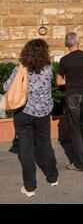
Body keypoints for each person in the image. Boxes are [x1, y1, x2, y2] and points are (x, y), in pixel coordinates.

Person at [3, 39, 58, 197]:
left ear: (26, 51)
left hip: (23, 113)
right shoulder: (49, 68)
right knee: (45, 145)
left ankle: (29, 187)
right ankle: (52, 177)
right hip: (43, 114)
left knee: (26, 150)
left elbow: (7, 87)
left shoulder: (20, 69)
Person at [56, 32, 83, 171]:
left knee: (75, 129)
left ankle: (79, 163)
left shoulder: (64, 60)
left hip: (72, 96)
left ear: (66, 44)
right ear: (78, 42)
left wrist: (68, 80)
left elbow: (59, 81)